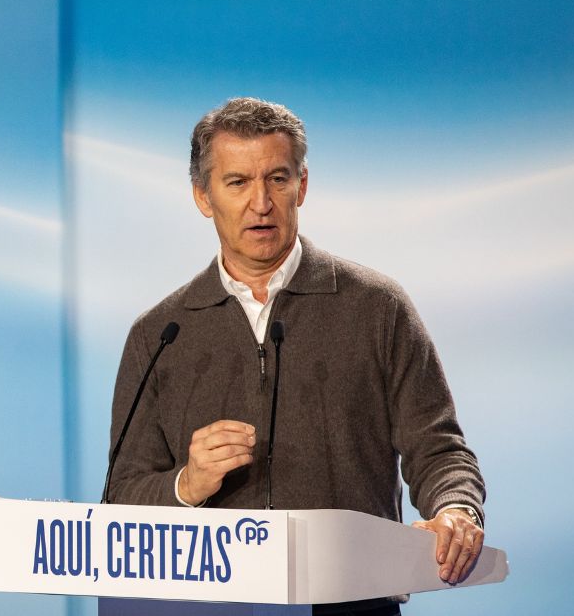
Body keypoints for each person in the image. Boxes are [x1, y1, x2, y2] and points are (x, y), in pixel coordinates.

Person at [106, 97, 486, 615]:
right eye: (237, 182)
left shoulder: (376, 307)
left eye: (278, 179)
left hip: (353, 602)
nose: (260, 202)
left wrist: (455, 509)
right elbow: (121, 496)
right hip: (208, 605)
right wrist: (186, 485)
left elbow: (439, 451)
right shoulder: (160, 334)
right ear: (202, 195)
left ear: (302, 186)